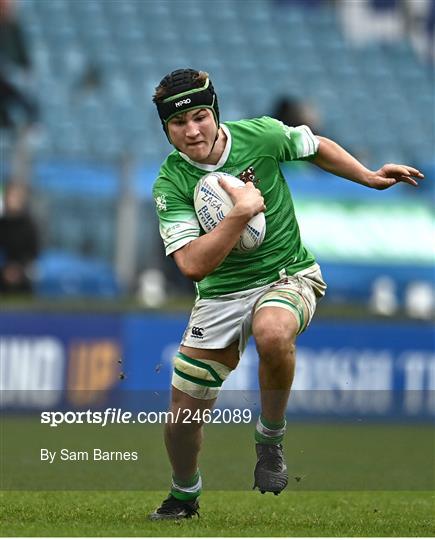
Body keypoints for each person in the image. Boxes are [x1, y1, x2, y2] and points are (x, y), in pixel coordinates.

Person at [149, 68, 424, 520]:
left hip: (287, 274)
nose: (192, 130)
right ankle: (184, 496)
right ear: (166, 127)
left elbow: (317, 147)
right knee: (181, 419)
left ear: (214, 112)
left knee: (273, 332)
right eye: (179, 124)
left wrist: (369, 178)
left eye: (200, 116)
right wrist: (241, 214)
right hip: (219, 296)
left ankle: (270, 440)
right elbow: (193, 265)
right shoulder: (170, 183)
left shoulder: (262, 135)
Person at [0, 181, 40, 294]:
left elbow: (34, 252)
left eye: (14, 197)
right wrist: (5, 269)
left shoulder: (29, 225)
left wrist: (18, 269)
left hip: (23, 273)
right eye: (8, 196)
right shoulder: (2, 224)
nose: (10, 200)